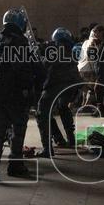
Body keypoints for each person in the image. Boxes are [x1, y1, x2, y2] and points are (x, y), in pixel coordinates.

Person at [0, 8, 41, 182]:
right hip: (16, 95)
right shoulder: (21, 42)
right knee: (18, 132)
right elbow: (25, 70)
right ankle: (15, 165)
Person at [36, 27, 79, 157]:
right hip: (70, 87)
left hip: (55, 86)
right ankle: (69, 139)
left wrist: (38, 55)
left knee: (42, 113)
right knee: (63, 108)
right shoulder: (69, 51)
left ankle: (47, 149)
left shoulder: (54, 50)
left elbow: (44, 65)